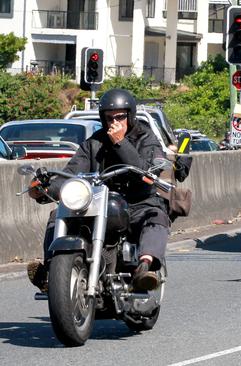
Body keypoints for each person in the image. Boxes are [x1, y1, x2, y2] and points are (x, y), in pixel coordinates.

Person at [26, 89, 170, 292]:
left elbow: (144, 170)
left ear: (130, 115)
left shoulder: (146, 138)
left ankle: (145, 268)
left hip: (137, 200)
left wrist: (120, 142)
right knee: (59, 214)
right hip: (99, 202)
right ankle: (52, 274)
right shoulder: (94, 143)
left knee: (155, 216)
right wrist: (44, 188)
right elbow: (71, 172)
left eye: (120, 117)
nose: (115, 122)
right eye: (109, 118)